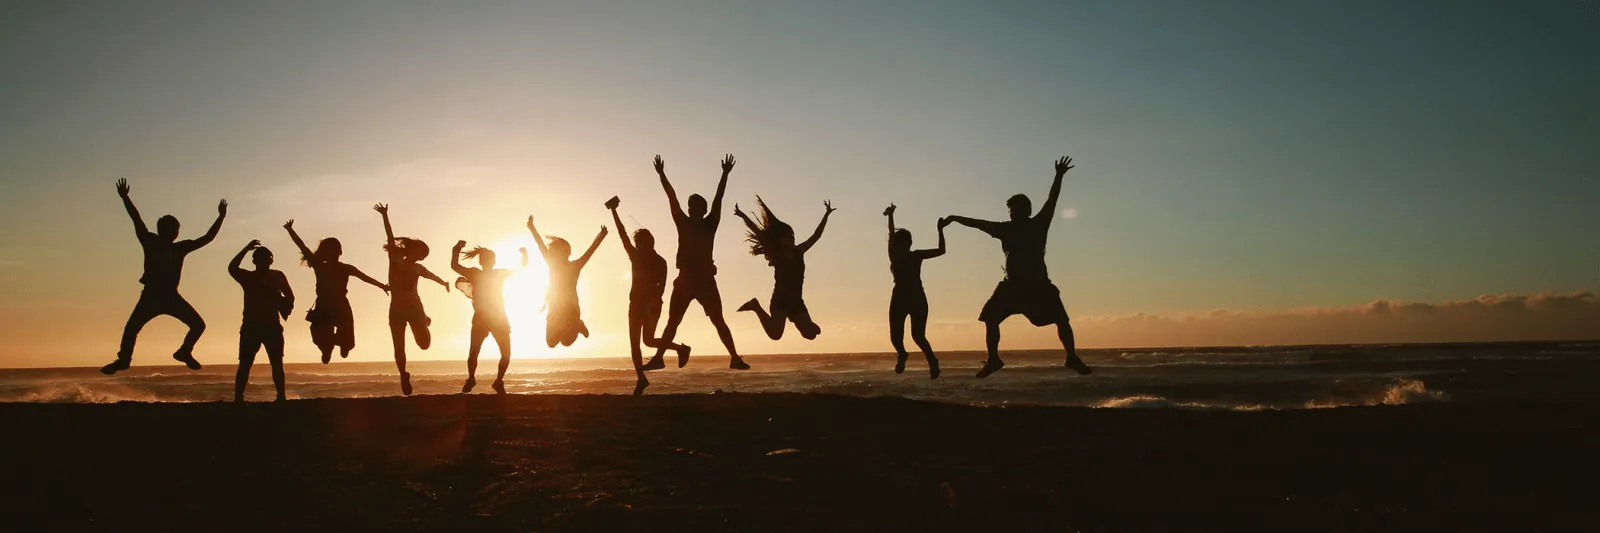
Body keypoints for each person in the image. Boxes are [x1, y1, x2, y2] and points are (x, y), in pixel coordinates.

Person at [944, 156, 1093, 378]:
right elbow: (979, 224)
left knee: (1062, 320)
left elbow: (1053, 198)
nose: (1011, 213)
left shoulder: (1038, 224)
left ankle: (1071, 357)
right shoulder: (1005, 228)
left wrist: (1059, 175)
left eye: (1013, 209)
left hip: (1038, 285)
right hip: (1012, 286)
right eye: (1010, 210)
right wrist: (956, 218)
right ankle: (994, 359)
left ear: (1025, 210)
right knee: (990, 318)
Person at [103, 178, 226, 375]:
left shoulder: (175, 246)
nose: (173, 233)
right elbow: (137, 219)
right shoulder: (153, 242)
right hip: (153, 296)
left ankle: (183, 352)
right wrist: (125, 198)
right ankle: (125, 359)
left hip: (168, 296)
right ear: (169, 231)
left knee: (196, 325)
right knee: (133, 329)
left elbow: (207, 238)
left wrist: (221, 217)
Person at [646, 154, 749, 370]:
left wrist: (725, 174)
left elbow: (718, 199)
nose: (692, 209)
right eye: (691, 206)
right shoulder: (682, 222)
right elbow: (671, 197)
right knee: (673, 322)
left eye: (696, 206)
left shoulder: (710, 223)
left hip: (704, 281)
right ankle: (658, 358)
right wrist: (662, 175)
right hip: (685, 280)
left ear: (702, 210)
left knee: (718, 320)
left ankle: (734, 357)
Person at [605, 196, 690, 395]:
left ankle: (672, 356)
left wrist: (613, 211)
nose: (645, 244)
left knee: (643, 342)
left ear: (649, 242)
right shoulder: (645, 257)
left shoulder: (649, 259)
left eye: (646, 241)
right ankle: (644, 377)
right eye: (642, 242)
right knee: (644, 342)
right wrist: (614, 212)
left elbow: (662, 286)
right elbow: (622, 234)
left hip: (645, 304)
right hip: (642, 304)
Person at [283, 220, 389, 364]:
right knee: (323, 336)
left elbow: (364, 278)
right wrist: (290, 231)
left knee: (339, 339)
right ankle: (330, 347)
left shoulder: (335, 267)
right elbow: (302, 246)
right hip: (330, 305)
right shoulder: (323, 266)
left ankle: (336, 345)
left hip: (334, 305)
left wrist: (381, 285)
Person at [733, 197, 835, 341]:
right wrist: (743, 215)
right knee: (775, 335)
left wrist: (827, 214)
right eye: (787, 237)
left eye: (792, 236)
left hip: (796, 301)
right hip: (780, 300)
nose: (791, 239)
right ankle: (755, 306)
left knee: (810, 335)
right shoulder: (777, 254)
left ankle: (807, 325)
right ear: (780, 240)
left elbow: (816, 235)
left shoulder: (799, 251)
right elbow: (758, 232)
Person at [373, 204, 449, 396]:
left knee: (424, 345)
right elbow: (390, 237)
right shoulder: (395, 259)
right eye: (422, 255)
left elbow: (431, 275)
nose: (422, 259)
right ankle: (403, 375)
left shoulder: (417, 268)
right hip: (397, 310)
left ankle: (425, 320)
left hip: (415, 309)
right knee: (399, 346)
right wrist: (385, 215)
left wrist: (443, 283)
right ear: (415, 252)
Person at [451, 241, 526, 394]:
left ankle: (493, 382)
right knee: (482, 352)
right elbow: (522, 268)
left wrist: (456, 249)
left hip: (494, 318)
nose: (490, 262)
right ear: (489, 261)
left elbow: (521, 269)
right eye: (489, 259)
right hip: (487, 318)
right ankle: (477, 379)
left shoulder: (487, 273)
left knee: (493, 353)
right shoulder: (477, 273)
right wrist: (524, 255)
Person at [883, 204, 947, 379]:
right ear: (898, 244)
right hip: (899, 298)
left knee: (918, 336)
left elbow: (941, 250)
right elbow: (890, 234)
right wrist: (890, 215)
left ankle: (933, 362)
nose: (906, 245)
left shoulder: (916, 255)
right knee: (895, 337)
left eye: (908, 242)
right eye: (902, 242)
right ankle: (902, 354)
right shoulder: (893, 255)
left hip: (917, 297)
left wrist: (940, 230)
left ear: (910, 244)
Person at [526, 216, 606, 349]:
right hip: (555, 307)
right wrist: (531, 228)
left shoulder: (574, 265)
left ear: (567, 253)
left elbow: (590, 252)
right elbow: (540, 245)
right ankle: (574, 325)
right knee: (551, 343)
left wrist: (601, 236)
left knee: (567, 342)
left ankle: (577, 324)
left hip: (570, 309)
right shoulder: (552, 264)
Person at [228, 240, 294, 402]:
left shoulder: (253, 277)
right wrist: (282, 302)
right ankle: (279, 397)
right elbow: (290, 297)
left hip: (261, 325)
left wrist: (245, 249)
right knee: (270, 364)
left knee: (249, 364)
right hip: (261, 325)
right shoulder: (263, 277)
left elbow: (232, 268)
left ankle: (240, 398)